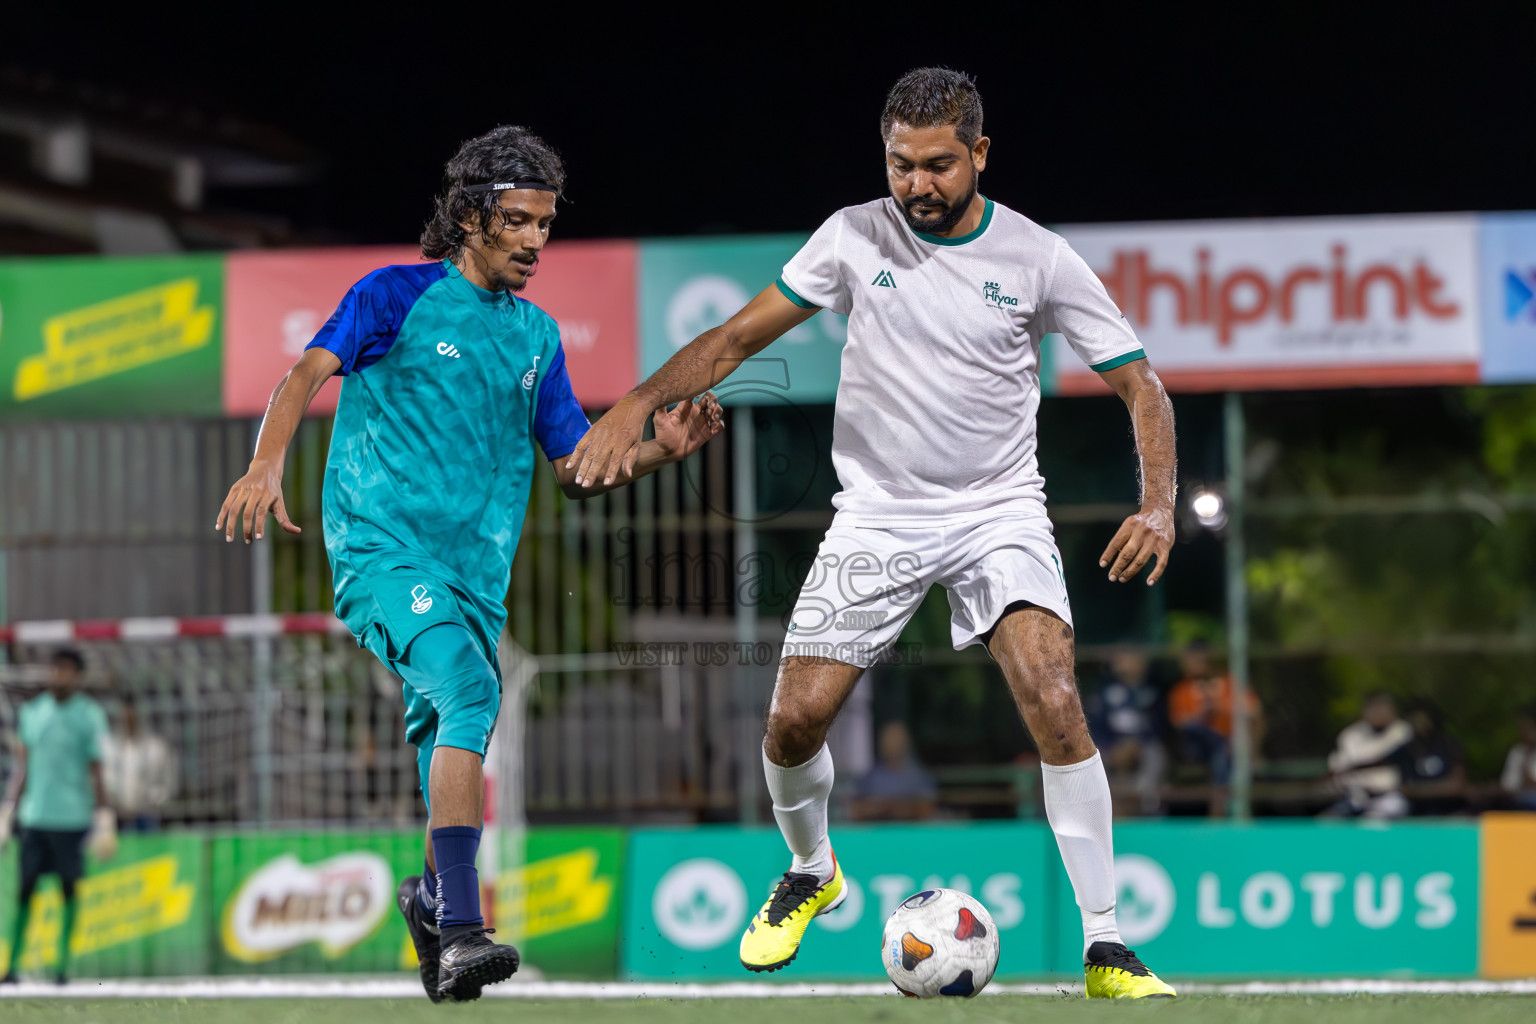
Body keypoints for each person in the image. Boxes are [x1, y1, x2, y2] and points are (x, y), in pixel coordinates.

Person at [570, 68, 1177, 998]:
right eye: (901, 165)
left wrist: (1158, 503)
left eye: (938, 165)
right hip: (877, 517)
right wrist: (635, 406)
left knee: (1054, 699)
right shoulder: (855, 234)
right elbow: (734, 340)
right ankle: (812, 870)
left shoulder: (1038, 257)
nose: (917, 185)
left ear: (979, 153)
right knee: (791, 723)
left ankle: (1107, 942)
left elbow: (1143, 385)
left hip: (996, 511)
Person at [215, 127, 723, 1003]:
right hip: (381, 551)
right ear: (471, 216)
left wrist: (652, 452)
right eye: (518, 221)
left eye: (544, 225)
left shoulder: (536, 338)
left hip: (474, 583)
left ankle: (428, 900)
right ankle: (462, 929)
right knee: (469, 691)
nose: (534, 241)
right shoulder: (394, 296)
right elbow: (304, 373)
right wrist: (267, 462)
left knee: (454, 734)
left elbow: (573, 471)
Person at [0, 650, 115, 985]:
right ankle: (13, 966)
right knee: (25, 891)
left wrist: (104, 815)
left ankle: (62, 967)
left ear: (77, 676)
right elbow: (24, 768)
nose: (59, 675)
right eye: (56, 669)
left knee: (69, 891)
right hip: (36, 817)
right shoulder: (33, 713)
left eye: (67, 670)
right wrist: (8, 811)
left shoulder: (89, 715)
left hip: (72, 818)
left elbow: (97, 770)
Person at [1168, 640, 1263, 814]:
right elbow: (1178, 723)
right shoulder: (1182, 689)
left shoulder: (1229, 683)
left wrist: (1220, 707)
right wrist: (1201, 714)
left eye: (1192, 659)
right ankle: (1218, 811)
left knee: (1227, 751)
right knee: (1221, 747)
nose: (1186, 664)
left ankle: (1225, 810)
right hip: (1195, 747)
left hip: (1230, 747)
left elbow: (1253, 710)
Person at [1085, 651, 1165, 816]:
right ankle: (1102, 810)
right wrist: (1110, 747)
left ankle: (1148, 806)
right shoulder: (1103, 690)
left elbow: (1159, 726)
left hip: (1142, 747)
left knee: (1156, 755)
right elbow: (1093, 724)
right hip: (1108, 747)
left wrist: (1136, 744)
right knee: (1091, 760)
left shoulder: (1153, 690)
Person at [1325, 691, 1413, 820]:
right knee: (1326, 824)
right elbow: (1339, 764)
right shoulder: (1351, 734)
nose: (1378, 712)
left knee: (1372, 824)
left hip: (1390, 798)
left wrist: (1353, 763)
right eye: (1374, 707)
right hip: (1354, 796)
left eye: (1382, 707)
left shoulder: (1401, 730)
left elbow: (1376, 755)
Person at [101, 696, 175, 831]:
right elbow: (104, 780)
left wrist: (150, 801)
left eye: (132, 719)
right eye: (125, 719)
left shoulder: (155, 747)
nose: (128, 723)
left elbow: (167, 783)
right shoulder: (107, 747)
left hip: (146, 817)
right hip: (116, 816)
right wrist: (115, 802)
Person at [851, 721, 938, 821]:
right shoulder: (872, 776)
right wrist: (879, 808)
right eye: (887, 740)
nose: (891, 744)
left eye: (895, 740)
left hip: (911, 831)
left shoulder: (918, 776)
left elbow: (928, 808)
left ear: (905, 742)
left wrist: (899, 808)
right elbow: (856, 810)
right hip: (879, 831)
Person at [1399, 703, 1468, 816]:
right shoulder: (1406, 749)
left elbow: (1457, 786)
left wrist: (1419, 790)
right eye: (1414, 719)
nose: (1419, 723)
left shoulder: (1449, 746)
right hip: (1416, 812)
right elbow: (1405, 788)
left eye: (1422, 718)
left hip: (1451, 809)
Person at [1499, 708, 1536, 811]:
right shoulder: (1516, 751)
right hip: (1516, 798)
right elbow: (1507, 785)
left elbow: (1531, 785)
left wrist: (1529, 754)